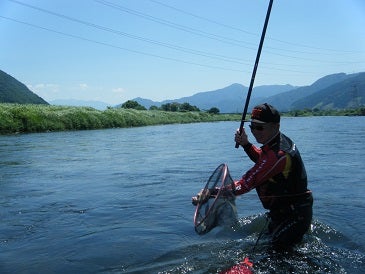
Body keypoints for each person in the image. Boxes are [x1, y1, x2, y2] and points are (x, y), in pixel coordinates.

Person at [193, 103, 313, 250]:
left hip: (294, 216)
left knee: (278, 258)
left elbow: (244, 184)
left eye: (260, 127)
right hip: (285, 213)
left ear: (276, 126)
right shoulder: (278, 142)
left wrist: (211, 192)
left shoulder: (279, 155)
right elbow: (264, 160)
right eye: (252, 127)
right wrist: (246, 144)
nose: (255, 132)